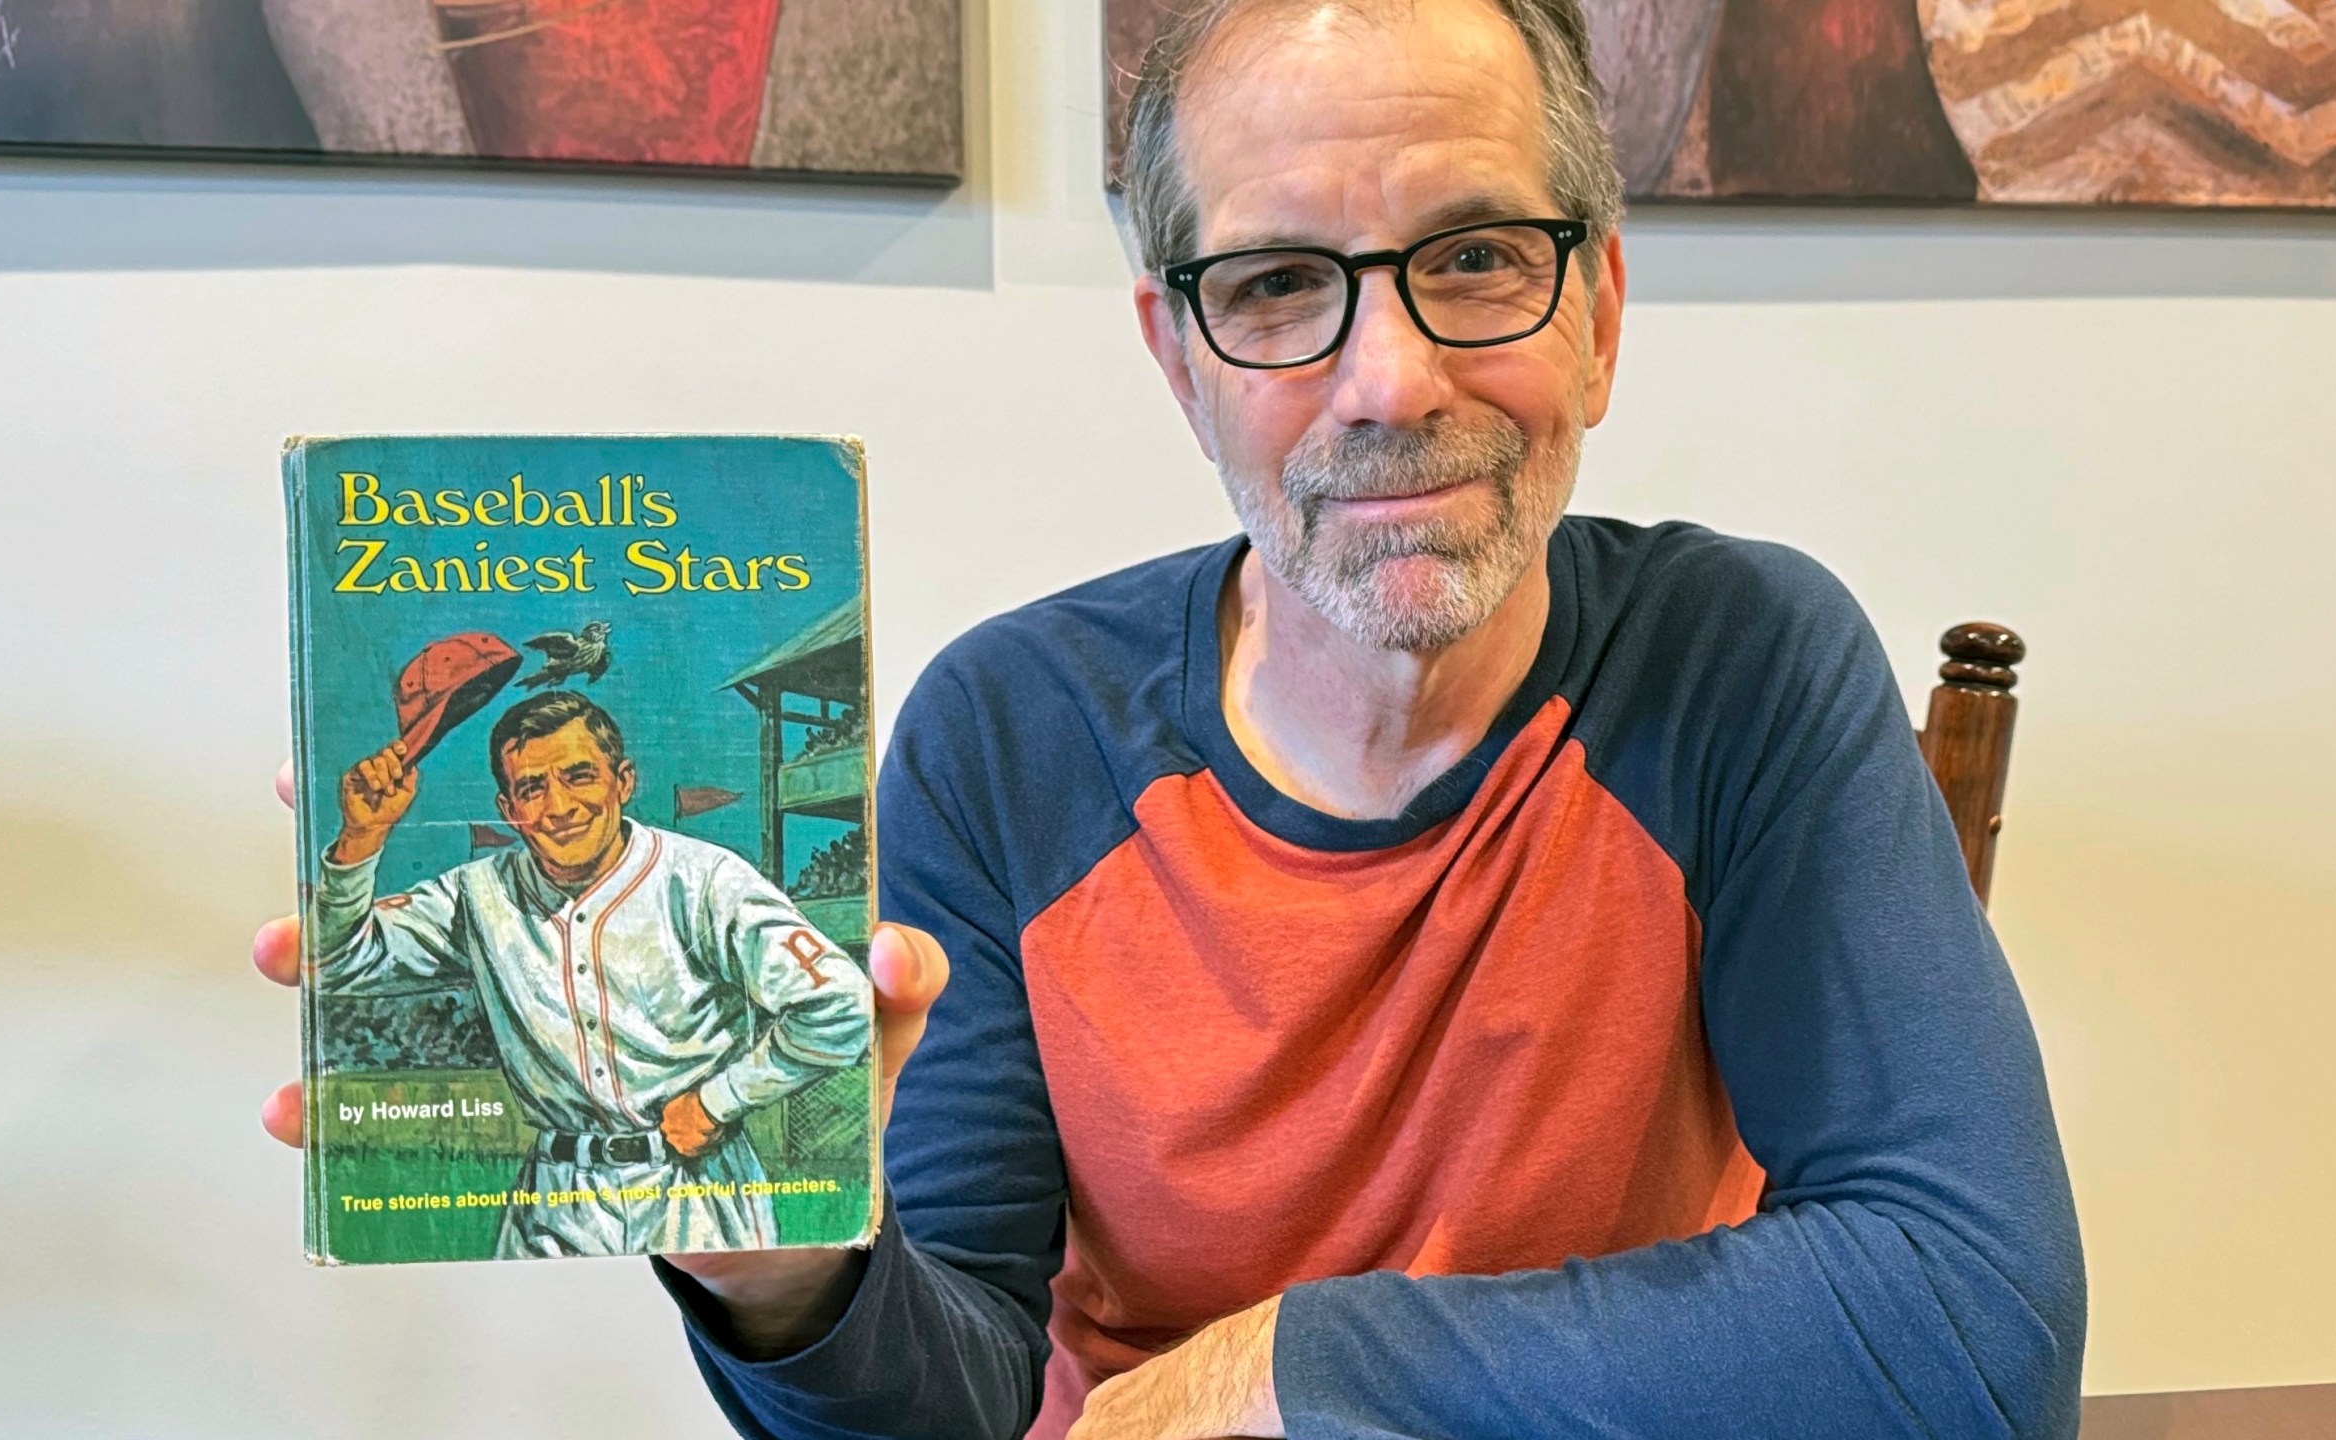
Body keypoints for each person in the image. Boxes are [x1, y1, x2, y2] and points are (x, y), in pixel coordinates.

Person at [256, 0, 2084, 1432]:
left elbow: (1970, 1325)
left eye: (1475, 258)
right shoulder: (1008, 739)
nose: (1390, 379)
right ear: (1176, 356)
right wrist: (791, 1277)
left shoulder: (1744, 665)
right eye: (1281, 284)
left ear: (1599, 307)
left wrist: (1299, 1367)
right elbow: (953, 1399)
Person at [304, 690, 874, 1256]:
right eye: (532, 788)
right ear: (508, 810)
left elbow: (845, 1004)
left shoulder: (703, 880)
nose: (558, 806)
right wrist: (361, 839)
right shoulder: (476, 894)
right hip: (555, 1193)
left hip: (695, 1185)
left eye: (580, 775)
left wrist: (719, 1100)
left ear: (622, 781)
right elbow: (332, 964)